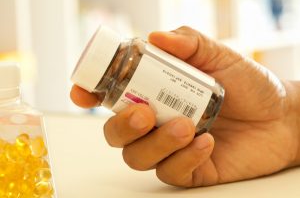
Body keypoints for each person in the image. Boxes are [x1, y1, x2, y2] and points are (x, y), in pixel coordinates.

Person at [70, 26, 300, 187]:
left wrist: (288, 117)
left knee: (148, 120)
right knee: (139, 120)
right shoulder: (118, 81)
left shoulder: (134, 50)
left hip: (212, 101)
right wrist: (287, 114)